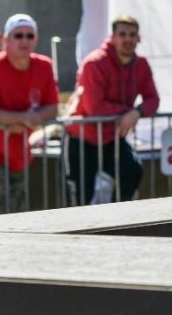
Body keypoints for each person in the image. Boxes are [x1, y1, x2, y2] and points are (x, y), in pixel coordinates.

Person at [65, 15, 159, 204]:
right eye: (122, 34)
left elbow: (153, 99)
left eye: (132, 35)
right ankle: (77, 231)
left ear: (138, 38)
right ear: (112, 37)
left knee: (132, 171)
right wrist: (128, 112)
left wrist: (137, 113)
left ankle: (117, 221)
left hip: (111, 138)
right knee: (79, 197)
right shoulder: (94, 63)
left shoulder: (141, 65)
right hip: (82, 139)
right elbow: (95, 108)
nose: (127, 39)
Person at [0, 13, 59, 215]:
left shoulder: (44, 66)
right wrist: (23, 119)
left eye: (30, 36)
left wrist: (32, 119)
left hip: (20, 147)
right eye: (18, 35)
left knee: (19, 207)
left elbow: (52, 108)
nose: (24, 40)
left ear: (36, 40)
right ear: (6, 40)